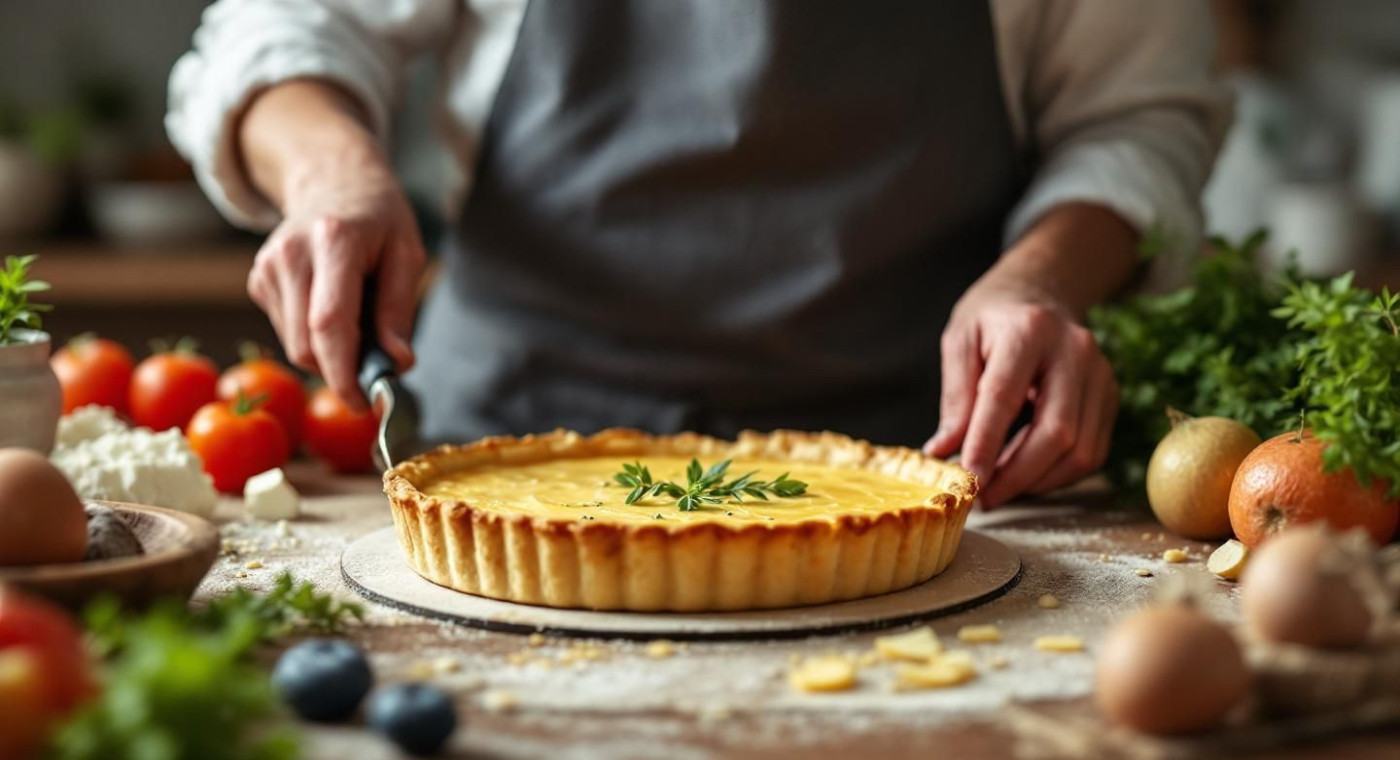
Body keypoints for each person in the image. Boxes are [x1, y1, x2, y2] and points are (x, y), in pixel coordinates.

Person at [168, 0, 1230, 509]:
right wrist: (331, 177)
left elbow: (1135, 121)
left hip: (929, 471)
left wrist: (1036, 277)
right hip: (497, 450)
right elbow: (282, 32)